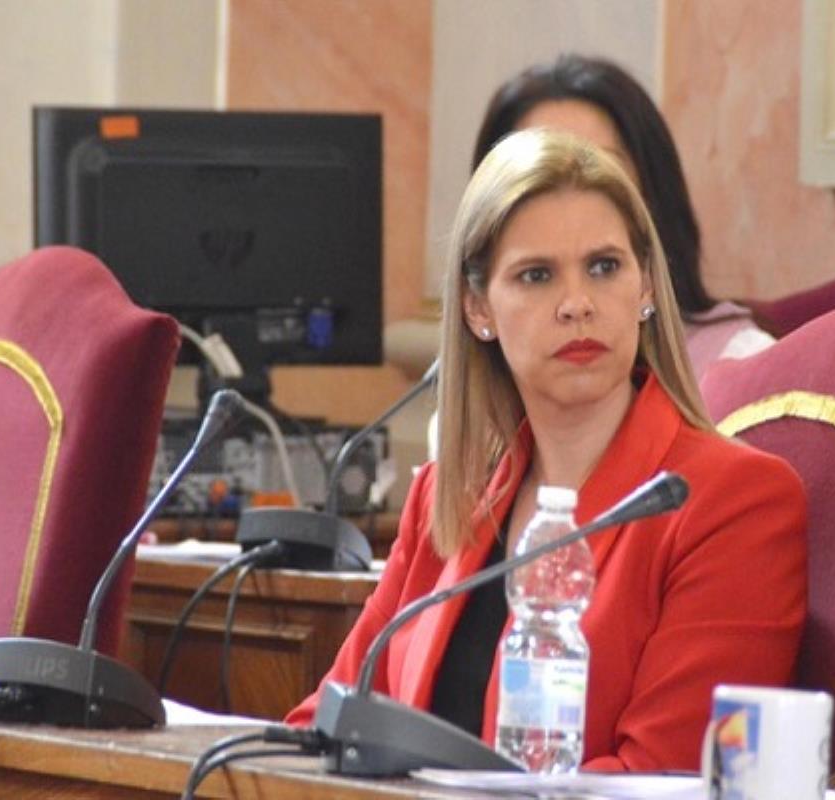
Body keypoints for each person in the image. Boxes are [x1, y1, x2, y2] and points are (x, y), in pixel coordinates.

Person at [286, 130, 807, 771]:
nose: (577, 304)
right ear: (478, 308)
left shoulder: (732, 502)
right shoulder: (448, 496)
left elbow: (663, 778)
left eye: (604, 267)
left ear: (646, 285)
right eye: (537, 275)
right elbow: (326, 726)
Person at [472, 54, 777, 379]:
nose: (570, 192)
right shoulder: (466, 389)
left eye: (599, 170)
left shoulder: (742, 363)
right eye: (539, 176)